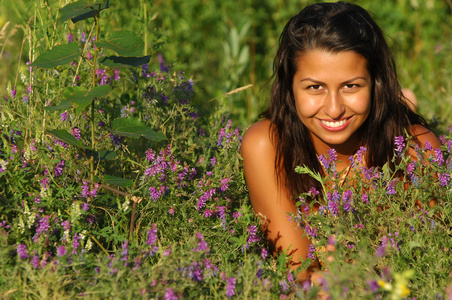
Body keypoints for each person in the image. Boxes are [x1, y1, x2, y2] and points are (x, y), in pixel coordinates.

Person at [240, 1, 440, 284]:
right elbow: (302, 276)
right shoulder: (267, 145)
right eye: (314, 87)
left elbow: (437, 263)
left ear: (376, 83)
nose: (334, 109)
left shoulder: (415, 148)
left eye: (351, 86)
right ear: (289, 88)